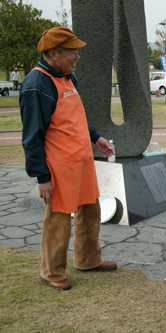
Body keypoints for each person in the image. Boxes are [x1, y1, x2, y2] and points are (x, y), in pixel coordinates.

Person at [20, 27, 117, 291]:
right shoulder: (36, 86)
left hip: (82, 160)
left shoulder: (68, 77)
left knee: (90, 209)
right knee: (59, 219)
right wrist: (42, 177)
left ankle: (88, 259)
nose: (77, 57)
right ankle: (51, 271)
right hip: (59, 165)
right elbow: (32, 138)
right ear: (54, 53)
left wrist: (95, 137)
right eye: (73, 52)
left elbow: (77, 117)